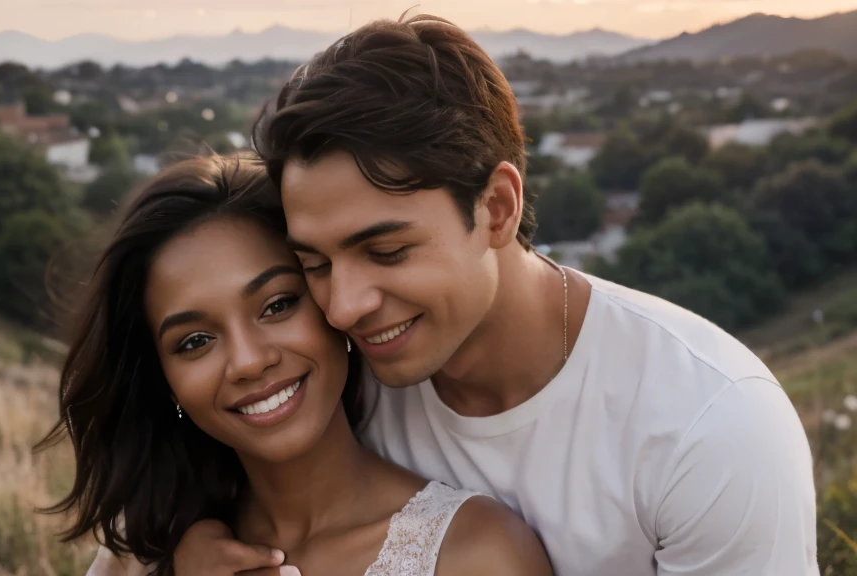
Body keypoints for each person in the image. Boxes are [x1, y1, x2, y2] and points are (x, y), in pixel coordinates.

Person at [169, 13, 819, 576]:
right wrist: (196, 542)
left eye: (386, 251)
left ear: (499, 207)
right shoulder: (337, 372)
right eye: (313, 263)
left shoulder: (707, 426)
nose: (343, 307)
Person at [44, 154, 553, 576]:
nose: (248, 361)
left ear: (334, 305)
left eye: (277, 305)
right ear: (164, 380)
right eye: (195, 341)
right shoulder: (150, 555)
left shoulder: (475, 555)